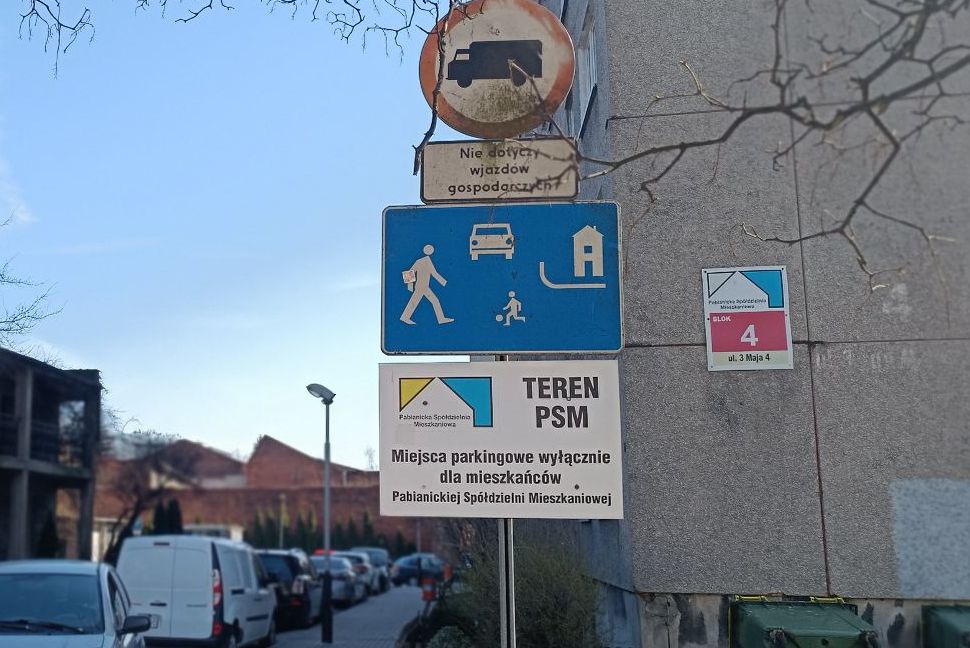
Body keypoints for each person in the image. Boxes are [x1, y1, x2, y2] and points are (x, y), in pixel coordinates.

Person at [401, 244, 454, 325]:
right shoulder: (421, 261)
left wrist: (444, 283)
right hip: (420, 287)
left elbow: (434, 273)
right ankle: (405, 317)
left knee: (433, 301)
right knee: (416, 302)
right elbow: (410, 272)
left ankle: (441, 319)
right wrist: (410, 286)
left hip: (425, 287)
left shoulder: (428, 261)